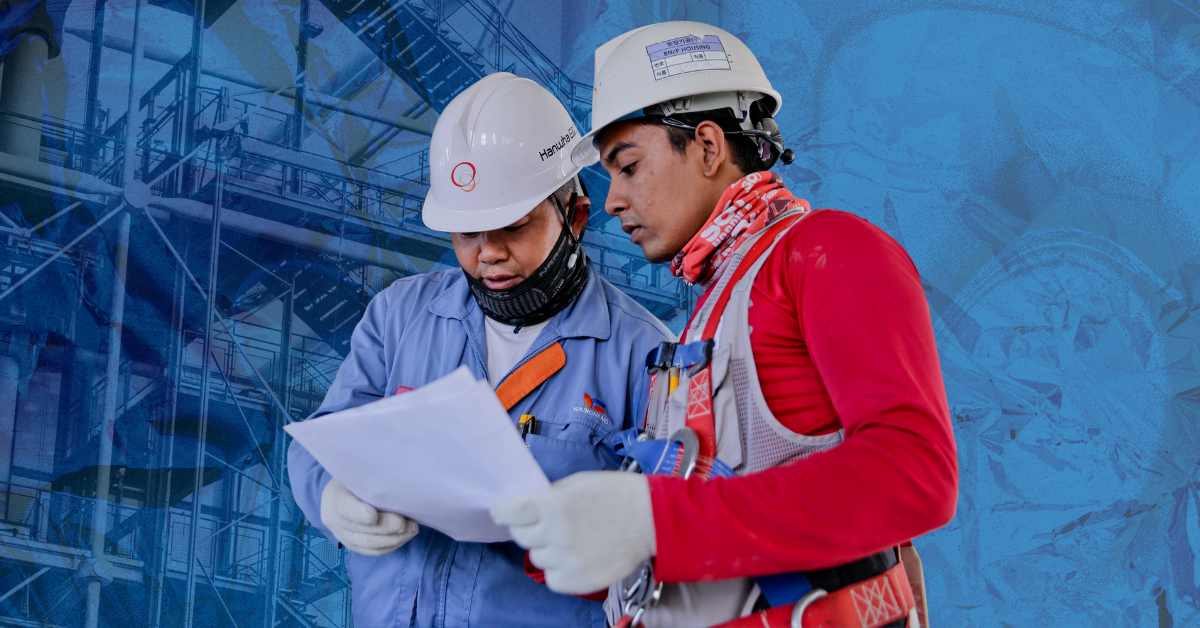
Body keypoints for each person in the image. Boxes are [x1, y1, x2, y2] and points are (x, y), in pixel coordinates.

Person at [490, 23, 958, 628]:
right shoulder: (711, 314)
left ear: (708, 146)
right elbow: (696, 522)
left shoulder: (828, 251)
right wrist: (564, 531)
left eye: (627, 167)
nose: (612, 201)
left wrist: (654, 522)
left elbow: (915, 471)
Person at [287, 72, 672, 628]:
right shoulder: (400, 317)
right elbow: (323, 438)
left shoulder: (641, 355)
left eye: (512, 228)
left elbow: (667, 541)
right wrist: (330, 497)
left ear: (576, 217)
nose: (487, 253)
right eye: (466, 233)